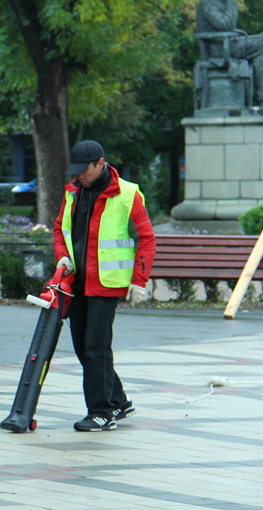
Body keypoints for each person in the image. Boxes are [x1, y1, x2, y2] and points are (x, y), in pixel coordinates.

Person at [53, 140, 156, 432]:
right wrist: (62, 256)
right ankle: (118, 401)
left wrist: (139, 281)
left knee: (96, 348)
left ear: (100, 163)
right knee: (82, 347)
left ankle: (101, 412)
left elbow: (146, 239)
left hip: (106, 284)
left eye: (84, 170)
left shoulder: (127, 194)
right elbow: (60, 228)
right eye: (75, 170)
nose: (79, 176)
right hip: (77, 282)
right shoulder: (73, 191)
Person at [198, 0, 263, 107]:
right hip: (222, 49)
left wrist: (237, 32)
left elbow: (222, 26)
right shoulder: (209, 3)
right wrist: (231, 4)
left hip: (229, 44)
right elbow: (225, 24)